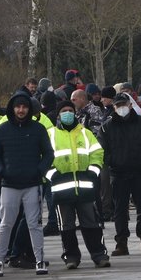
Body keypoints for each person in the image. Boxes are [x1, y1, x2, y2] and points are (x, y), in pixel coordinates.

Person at [0, 93, 54, 276]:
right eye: (18, 107)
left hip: (32, 184)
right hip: (9, 184)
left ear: (29, 109)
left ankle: (39, 260)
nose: (21, 110)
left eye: (24, 107)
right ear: (12, 108)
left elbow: (48, 154)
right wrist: (1, 171)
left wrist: (39, 171)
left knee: (34, 224)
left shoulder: (38, 129)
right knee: (6, 223)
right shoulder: (2, 130)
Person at [45, 98, 110, 270]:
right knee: (66, 226)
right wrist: (53, 175)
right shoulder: (50, 135)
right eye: (64, 111)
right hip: (61, 189)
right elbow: (42, 159)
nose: (67, 114)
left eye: (70, 110)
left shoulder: (85, 133)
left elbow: (97, 153)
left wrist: (93, 171)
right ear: (58, 115)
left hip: (85, 187)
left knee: (91, 223)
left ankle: (99, 255)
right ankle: (71, 256)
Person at [97, 92, 141, 256]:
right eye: (118, 106)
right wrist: (113, 162)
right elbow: (102, 149)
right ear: (114, 108)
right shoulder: (107, 127)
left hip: (140, 172)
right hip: (118, 173)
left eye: (124, 105)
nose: (122, 108)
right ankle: (121, 243)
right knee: (120, 210)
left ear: (130, 105)